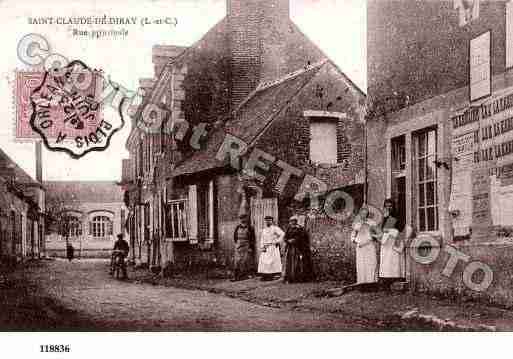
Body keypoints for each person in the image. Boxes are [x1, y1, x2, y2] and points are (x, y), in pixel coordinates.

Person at [379, 198, 405, 289]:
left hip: (394, 239)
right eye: (386, 206)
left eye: (390, 206)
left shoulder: (396, 217)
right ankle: (386, 280)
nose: (388, 208)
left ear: (393, 207)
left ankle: (395, 278)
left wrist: (390, 230)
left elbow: (400, 229)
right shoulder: (384, 217)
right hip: (386, 241)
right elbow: (382, 229)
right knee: (386, 260)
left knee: (394, 260)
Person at [351, 206, 378, 284]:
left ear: (368, 214)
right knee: (361, 265)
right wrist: (357, 242)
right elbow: (352, 236)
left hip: (370, 246)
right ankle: (362, 283)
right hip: (360, 247)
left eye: (366, 214)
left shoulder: (372, 223)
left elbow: (377, 234)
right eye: (362, 214)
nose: (364, 215)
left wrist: (372, 236)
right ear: (359, 214)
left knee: (372, 263)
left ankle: (372, 283)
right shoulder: (357, 224)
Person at [283, 215, 313, 283]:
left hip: (298, 248)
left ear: (296, 221)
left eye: (294, 221)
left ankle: (297, 277)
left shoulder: (300, 228)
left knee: (297, 262)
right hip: (290, 248)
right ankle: (289, 277)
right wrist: (288, 241)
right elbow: (285, 237)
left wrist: (295, 240)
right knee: (289, 262)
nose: (292, 222)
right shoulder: (289, 228)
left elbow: (302, 237)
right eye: (291, 221)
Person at [258, 215, 284, 281]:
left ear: (272, 221)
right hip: (266, 247)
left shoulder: (275, 228)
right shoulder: (264, 230)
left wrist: (277, 241)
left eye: (269, 220)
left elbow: (283, 234)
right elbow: (262, 239)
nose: (268, 222)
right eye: (266, 220)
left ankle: (274, 274)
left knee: (273, 261)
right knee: (264, 261)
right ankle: (265, 275)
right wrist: (262, 247)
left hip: (273, 246)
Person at [232, 214, 256, 281]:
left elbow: (252, 238)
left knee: (244, 261)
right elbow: (235, 236)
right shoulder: (237, 227)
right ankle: (236, 276)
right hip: (238, 245)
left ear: (246, 219)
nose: (243, 220)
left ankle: (243, 276)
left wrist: (251, 247)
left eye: (244, 218)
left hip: (246, 245)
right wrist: (237, 244)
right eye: (241, 219)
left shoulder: (250, 227)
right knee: (237, 261)